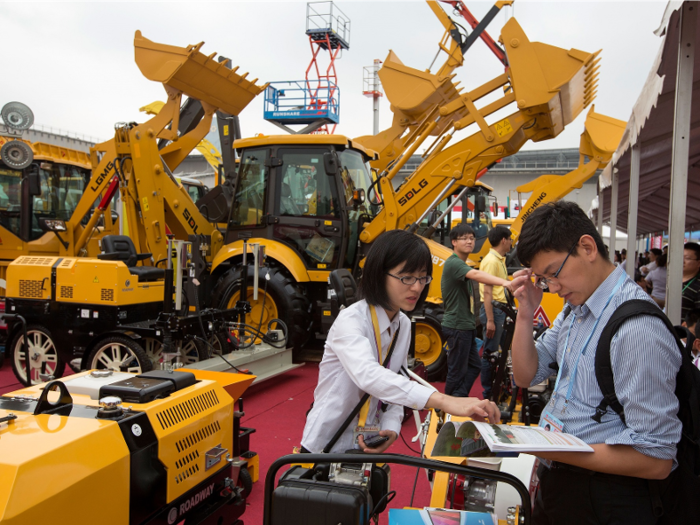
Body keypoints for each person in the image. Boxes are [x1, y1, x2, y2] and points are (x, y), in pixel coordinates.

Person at [509, 201, 681, 525]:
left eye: (554, 273)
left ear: (587, 247)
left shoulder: (635, 329)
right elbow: (525, 374)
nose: (553, 288)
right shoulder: (575, 310)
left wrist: (550, 447)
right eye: (543, 279)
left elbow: (656, 458)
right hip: (563, 479)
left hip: (606, 495)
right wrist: (524, 313)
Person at [300, 230, 500, 454]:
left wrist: (392, 427)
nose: (416, 287)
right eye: (406, 277)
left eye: (423, 277)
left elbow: (397, 376)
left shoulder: (402, 323)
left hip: (367, 442)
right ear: (379, 274)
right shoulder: (351, 320)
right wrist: (443, 400)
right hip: (326, 444)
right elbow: (369, 376)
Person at [441, 224, 513, 398]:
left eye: (472, 238)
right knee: (456, 371)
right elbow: (476, 275)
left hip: (466, 326)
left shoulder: (462, 263)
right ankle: (447, 407)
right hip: (457, 326)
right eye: (464, 238)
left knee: (475, 366)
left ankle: (458, 397)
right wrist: (505, 283)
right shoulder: (454, 263)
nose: (469, 241)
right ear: (454, 242)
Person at [478, 225, 512, 400]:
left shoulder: (499, 260)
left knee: (498, 353)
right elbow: (487, 292)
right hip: (494, 311)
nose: (512, 242)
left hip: (499, 311)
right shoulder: (492, 261)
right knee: (490, 354)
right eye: (511, 239)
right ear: (504, 240)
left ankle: (495, 389)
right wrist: (490, 320)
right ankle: (488, 395)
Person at [682, 242, 700, 320]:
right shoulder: (673, 280)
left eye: (687, 258)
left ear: (699, 263)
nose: (682, 261)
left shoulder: (698, 286)